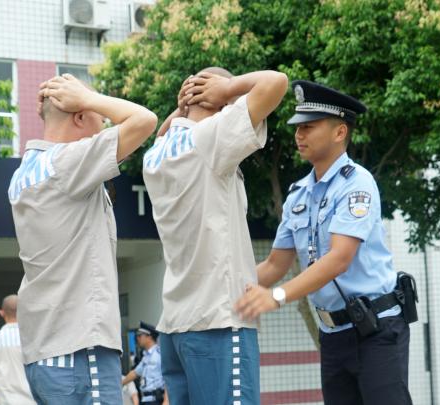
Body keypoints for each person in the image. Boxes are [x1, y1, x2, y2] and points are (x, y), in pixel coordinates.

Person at [235, 80, 413, 405]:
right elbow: (276, 264)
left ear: (339, 132)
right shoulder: (297, 194)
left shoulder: (357, 184)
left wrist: (277, 296)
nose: (298, 135)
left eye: (309, 127)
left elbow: (338, 259)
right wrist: (230, 289)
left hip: (377, 330)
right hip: (332, 335)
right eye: (297, 128)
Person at [141, 67, 288, 405]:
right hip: (219, 321)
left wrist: (183, 107)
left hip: (177, 325)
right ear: (221, 103)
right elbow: (276, 83)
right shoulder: (209, 137)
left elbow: (167, 129)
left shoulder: (156, 155)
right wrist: (229, 88)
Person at [8, 74, 158, 405]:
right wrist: (88, 97)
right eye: (97, 118)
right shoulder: (68, 161)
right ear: (78, 115)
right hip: (80, 349)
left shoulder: (23, 173)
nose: (103, 124)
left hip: (44, 352)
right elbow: (145, 120)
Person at [122, 322, 166, 405]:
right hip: (145, 400)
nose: (137, 338)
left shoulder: (159, 355)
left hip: (156, 400)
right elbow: (135, 373)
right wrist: (120, 384)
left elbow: (168, 378)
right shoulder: (146, 356)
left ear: (149, 336)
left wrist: (167, 401)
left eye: (139, 335)